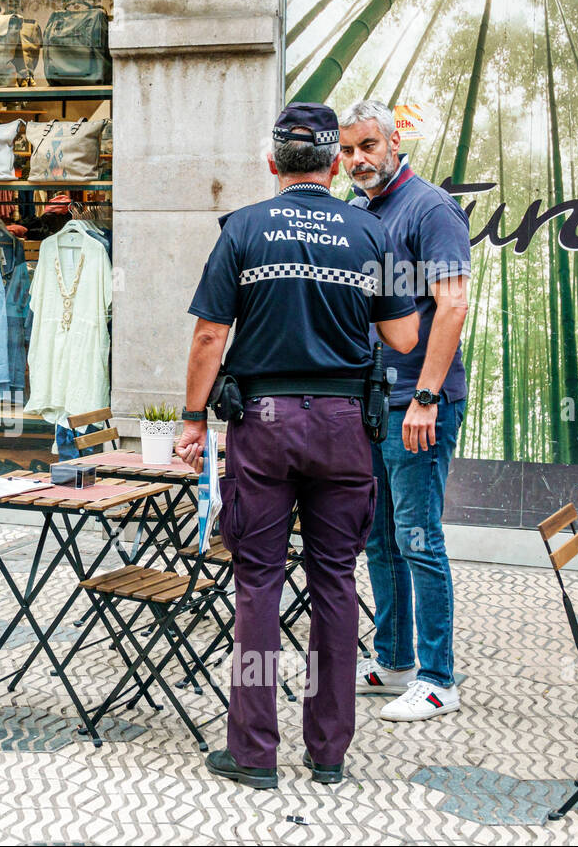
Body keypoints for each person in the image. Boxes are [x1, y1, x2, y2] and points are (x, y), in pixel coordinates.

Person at [175, 102, 418, 789]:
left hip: (266, 424)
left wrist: (193, 420)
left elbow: (207, 338)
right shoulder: (369, 233)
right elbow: (402, 338)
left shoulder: (242, 231)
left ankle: (253, 753)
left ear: (273, 163)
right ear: (335, 162)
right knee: (336, 584)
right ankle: (330, 753)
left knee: (257, 585)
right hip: (345, 427)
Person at [338, 99, 471, 722]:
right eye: (346, 151)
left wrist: (424, 397)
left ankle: (439, 677)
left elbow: (452, 307)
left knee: (419, 538)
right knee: (381, 539)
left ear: (394, 142)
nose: (357, 160)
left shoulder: (431, 207)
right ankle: (393, 661)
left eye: (367, 146)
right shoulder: (361, 210)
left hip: (418, 403)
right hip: (373, 404)